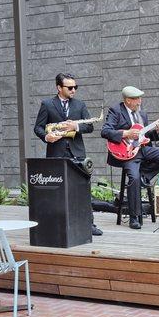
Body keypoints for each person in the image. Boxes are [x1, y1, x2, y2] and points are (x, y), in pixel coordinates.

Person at [34, 73, 103, 236]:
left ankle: (89, 224)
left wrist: (76, 127)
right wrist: (46, 137)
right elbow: (38, 127)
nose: (73, 90)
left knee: (83, 188)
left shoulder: (79, 105)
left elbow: (90, 127)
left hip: (77, 153)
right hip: (56, 153)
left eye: (75, 87)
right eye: (70, 87)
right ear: (59, 88)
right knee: (55, 190)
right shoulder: (47, 104)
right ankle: (54, 224)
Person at [101, 86, 159, 230]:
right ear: (128, 100)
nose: (140, 101)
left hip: (142, 149)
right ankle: (134, 217)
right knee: (133, 178)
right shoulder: (116, 111)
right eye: (137, 99)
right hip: (127, 154)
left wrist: (157, 131)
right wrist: (126, 133)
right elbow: (105, 131)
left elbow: (145, 136)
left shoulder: (142, 114)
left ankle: (144, 176)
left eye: (140, 98)